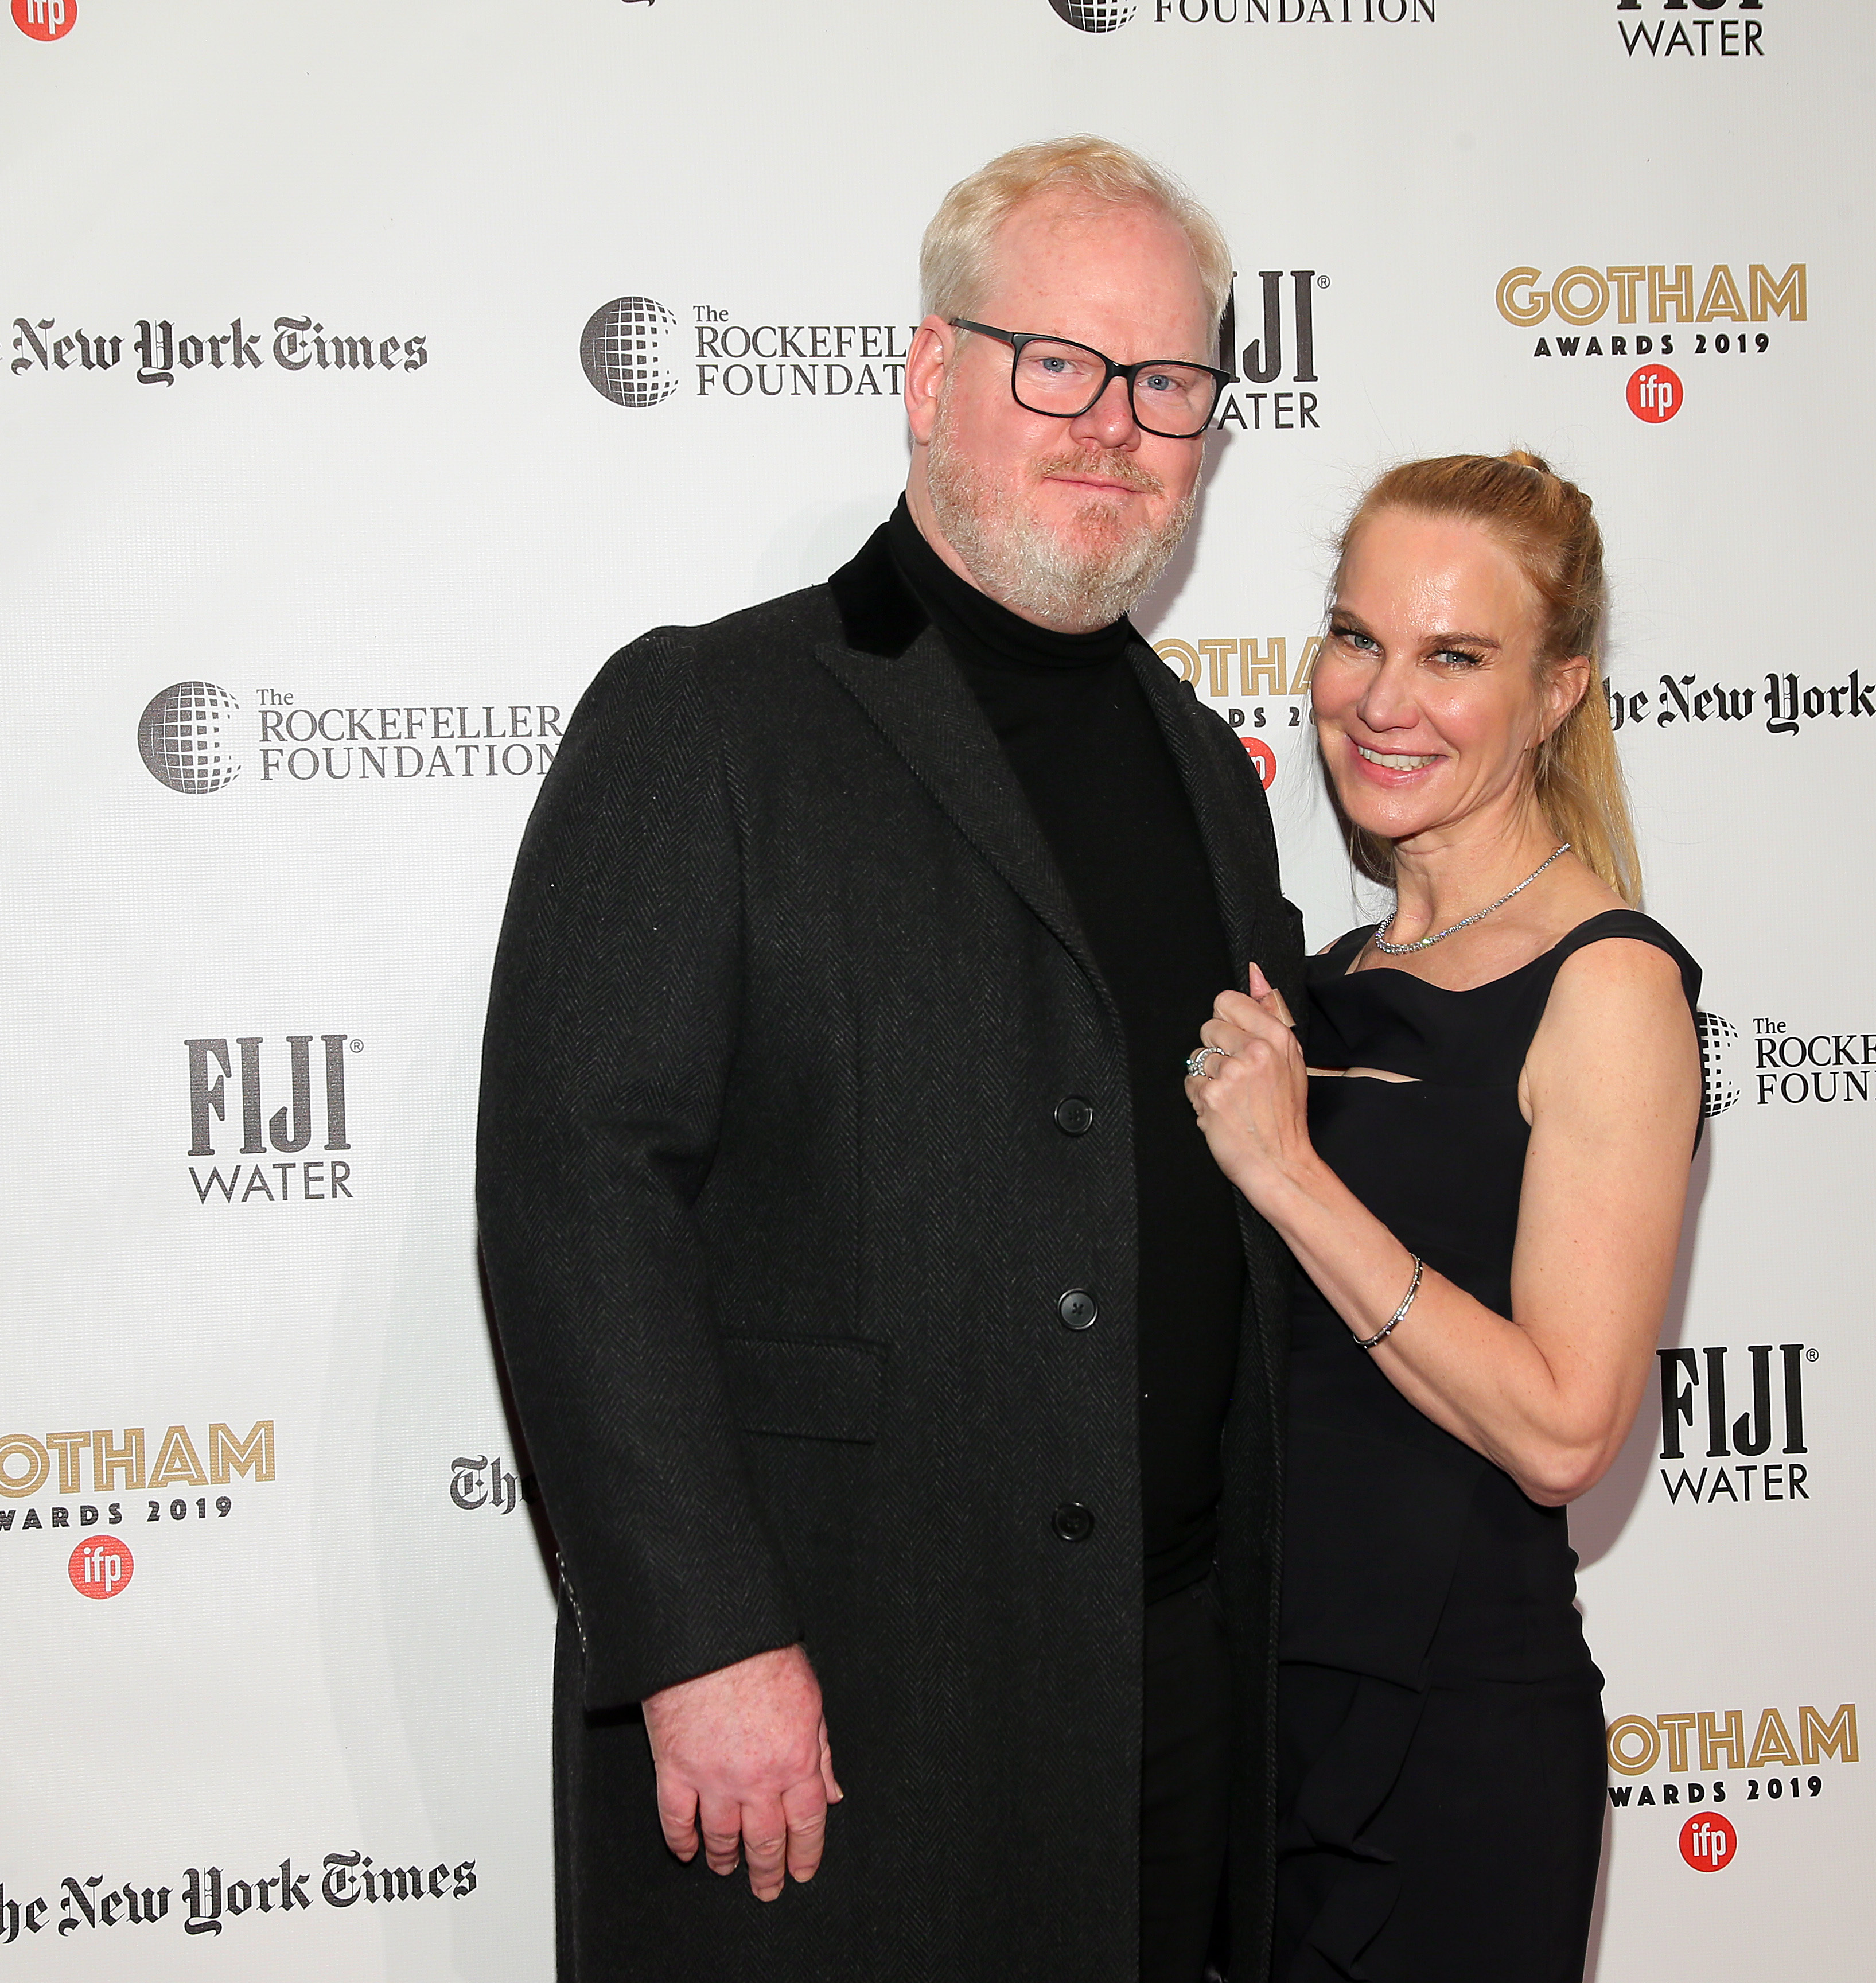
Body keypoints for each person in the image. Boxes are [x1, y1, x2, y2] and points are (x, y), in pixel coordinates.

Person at [476, 137, 1303, 1983]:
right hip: (835, 1700)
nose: (1116, 424)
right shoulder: (712, 717)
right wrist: (697, 1637)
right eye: (1059, 364)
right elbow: (576, 1193)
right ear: (935, 376)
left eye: (1170, 384)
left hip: (1160, 1691)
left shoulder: (1206, 773)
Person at [1181, 454, 1702, 1982]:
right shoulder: (1327, 976)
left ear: (1556, 693)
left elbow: (1562, 1429)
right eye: (1359, 638)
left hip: (1451, 1749)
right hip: (1258, 1727)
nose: (1382, 697)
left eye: (1454, 656)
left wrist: (1287, 1172)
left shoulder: (1609, 985)